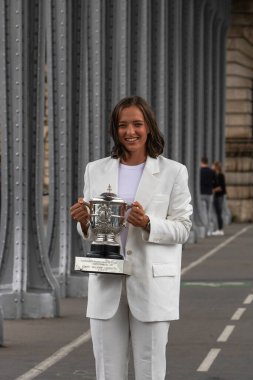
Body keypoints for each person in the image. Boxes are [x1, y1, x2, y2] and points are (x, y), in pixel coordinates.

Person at [70, 96, 193, 380]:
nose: (130, 131)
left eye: (137, 124)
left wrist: (149, 223)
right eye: (123, 125)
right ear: (115, 129)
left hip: (151, 284)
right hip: (106, 281)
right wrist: (84, 221)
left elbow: (183, 228)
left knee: (150, 372)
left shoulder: (174, 172)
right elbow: (92, 232)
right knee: (107, 372)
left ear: (149, 127)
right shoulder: (95, 169)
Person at [200, 157, 216, 236]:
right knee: (209, 212)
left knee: (203, 212)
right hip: (209, 193)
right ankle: (209, 230)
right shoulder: (211, 171)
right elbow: (215, 181)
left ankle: (204, 229)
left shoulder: (199, 171)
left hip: (201, 194)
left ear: (201, 162)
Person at [212, 161, 226, 236]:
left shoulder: (220, 175)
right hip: (216, 196)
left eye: (213, 166)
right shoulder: (215, 175)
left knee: (219, 212)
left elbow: (221, 187)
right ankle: (218, 229)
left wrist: (213, 190)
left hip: (220, 196)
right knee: (216, 212)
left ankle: (220, 229)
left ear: (216, 167)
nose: (212, 167)